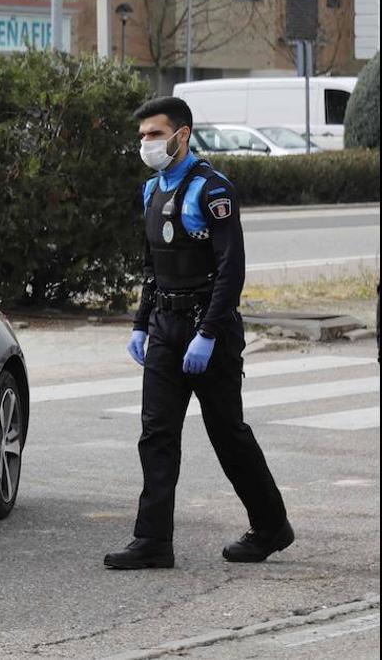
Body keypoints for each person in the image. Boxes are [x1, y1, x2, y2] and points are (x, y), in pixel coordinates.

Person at [105, 96, 292, 569]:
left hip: (210, 329)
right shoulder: (151, 190)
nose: (147, 142)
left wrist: (208, 333)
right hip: (166, 327)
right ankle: (152, 541)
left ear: (182, 134)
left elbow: (232, 269)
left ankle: (271, 525)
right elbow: (153, 266)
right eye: (143, 135)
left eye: (155, 133)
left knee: (227, 433)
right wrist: (140, 324)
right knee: (156, 434)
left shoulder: (212, 190)